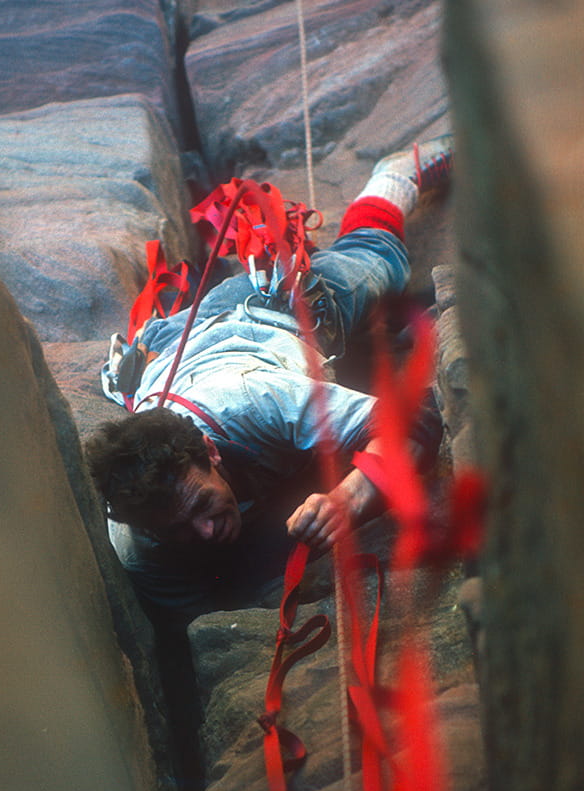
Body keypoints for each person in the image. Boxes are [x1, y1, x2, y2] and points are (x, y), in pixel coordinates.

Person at [86, 137, 452, 618]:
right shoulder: (137, 538)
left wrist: (351, 496)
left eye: (199, 505)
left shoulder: (254, 399)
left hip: (269, 315)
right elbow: (194, 620)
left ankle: (397, 173)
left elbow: (415, 419)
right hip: (169, 346)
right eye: (174, 531)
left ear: (210, 451)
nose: (202, 534)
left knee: (380, 258)